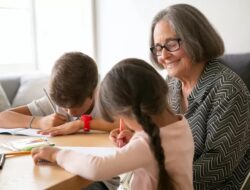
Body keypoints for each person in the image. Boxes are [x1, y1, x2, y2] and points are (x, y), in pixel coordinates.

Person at [31, 58, 194, 190]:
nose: (121, 123)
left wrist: (56, 154)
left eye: (121, 118)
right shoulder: (180, 124)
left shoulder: (146, 145)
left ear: (132, 112)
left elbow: (97, 168)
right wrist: (133, 139)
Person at [149, 3, 250, 190]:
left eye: (171, 44)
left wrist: (162, 178)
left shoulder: (227, 89)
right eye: (157, 47)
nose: (163, 55)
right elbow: (158, 132)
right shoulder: (170, 83)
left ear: (195, 39)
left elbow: (218, 166)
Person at [0, 52, 117, 135]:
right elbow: (2, 118)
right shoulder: (57, 98)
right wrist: (39, 122)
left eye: (76, 106)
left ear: (93, 90)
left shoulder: (106, 97)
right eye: (64, 107)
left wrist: (81, 124)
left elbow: (128, 124)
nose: (70, 112)